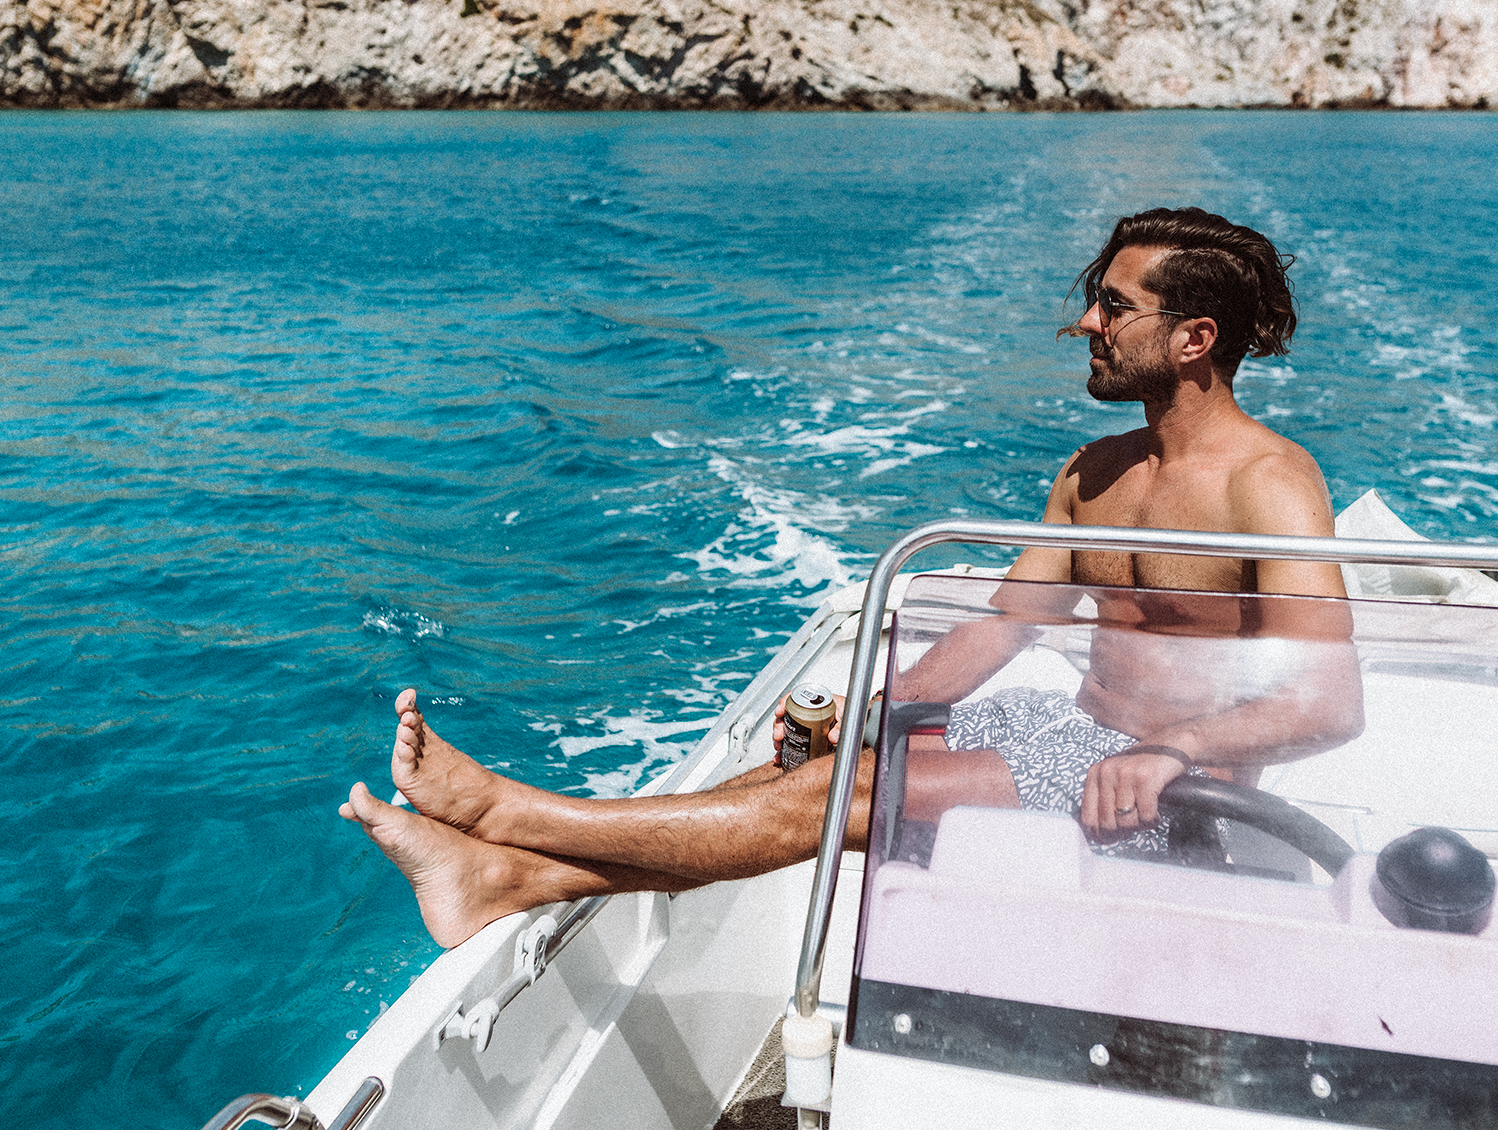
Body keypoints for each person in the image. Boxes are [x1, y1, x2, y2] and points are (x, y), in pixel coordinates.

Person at [341, 207, 1361, 948]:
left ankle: (507, 816)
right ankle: (503, 878)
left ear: (1193, 338)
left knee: (833, 798)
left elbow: (1329, 700)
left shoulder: (1269, 484)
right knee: (798, 773)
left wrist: (1175, 748)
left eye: (1114, 305)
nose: (1087, 324)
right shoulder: (1093, 470)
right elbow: (1004, 625)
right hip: (1058, 733)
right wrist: (879, 708)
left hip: (1164, 793)